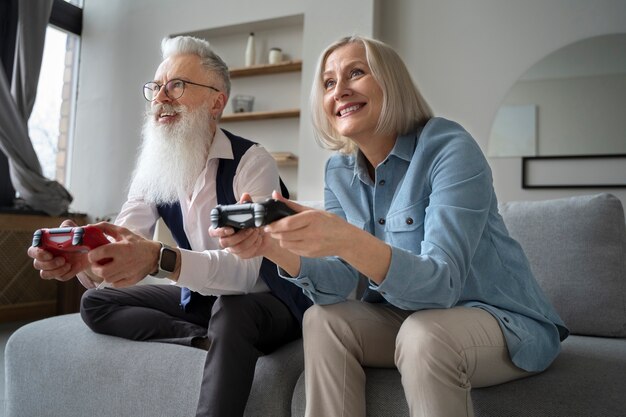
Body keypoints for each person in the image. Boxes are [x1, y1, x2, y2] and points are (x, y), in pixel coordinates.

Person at [214, 35, 569, 417]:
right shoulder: (339, 171)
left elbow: (442, 287)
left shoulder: (449, 148)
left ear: (391, 83)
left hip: (500, 320)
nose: (340, 90)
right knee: (324, 320)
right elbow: (343, 285)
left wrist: (345, 238)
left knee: (426, 334)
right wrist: (272, 248)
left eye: (356, 73)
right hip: (409, 314)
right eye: (329, 83)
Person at [27, 35, 310, 417]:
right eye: (157, 87)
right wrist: (88, 259)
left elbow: (245, 275)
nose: (161, 97)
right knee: (96, 301)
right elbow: (124, 238)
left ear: (216, 101)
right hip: (205, 301)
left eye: (177, 85)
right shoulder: (156, 168)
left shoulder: (251, 162)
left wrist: (162, 259)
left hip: (269, 300)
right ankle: (201, 340)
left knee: (233, 309)